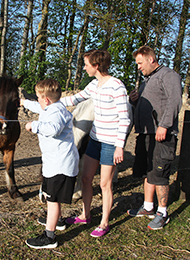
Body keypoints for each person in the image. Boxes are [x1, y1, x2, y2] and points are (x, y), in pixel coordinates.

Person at [61, 49, 131, 237]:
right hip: (95, 139)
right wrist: (54, 103)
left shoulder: (117, 86)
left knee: (105, 184)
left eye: (86, 65)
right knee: (85, 178)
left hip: (110, 143)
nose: (84, 68)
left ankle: (104, 222)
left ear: (96, 65)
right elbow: (75, 98)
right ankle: (85, 215)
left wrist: (119, 146)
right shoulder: (94, 85)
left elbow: (124, 119)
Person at [127, 45, 182, 230]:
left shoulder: (168, 75)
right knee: (147, 171)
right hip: (146, 133)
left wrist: (164, 125)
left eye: (140, 63)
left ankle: (163, 213)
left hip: (161, 134)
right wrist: (134, 101)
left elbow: (175, 101)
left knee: (160, 173)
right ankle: (148, 207)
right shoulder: (147, 81)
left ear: (151, 59)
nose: (138, 67)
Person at [22, 79, 79, 249]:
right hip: (53, 162)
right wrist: (23, 102)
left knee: (53, 200)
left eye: (39, 97)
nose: (38, 101)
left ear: (46, 99)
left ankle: (49, 237)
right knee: (50, 195)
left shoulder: (57, 113)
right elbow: (37, 107)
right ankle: (58, 221)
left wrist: (34, 125)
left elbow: (54, 129)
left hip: (61, 164)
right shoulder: (51, 106)